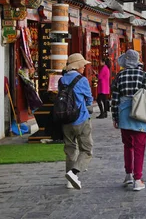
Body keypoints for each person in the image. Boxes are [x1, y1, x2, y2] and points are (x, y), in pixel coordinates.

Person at [111, 49, 146, 191]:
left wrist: (115, 117)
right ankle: (138, 179)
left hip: (124, 115)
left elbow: (115, 99)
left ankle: (128, 174)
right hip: (141, 114)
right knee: (139, 147)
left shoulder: (119, 76)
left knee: (128, 146)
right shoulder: (143, 75)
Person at [60, 53, 94, 190]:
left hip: (65, 119)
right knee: (87, 149)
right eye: (83, 65)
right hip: (80, 118)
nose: (84, 67)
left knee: (70, 150)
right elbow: (89, 98)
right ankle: (74, 173)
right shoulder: (82, 80)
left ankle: (69, 181)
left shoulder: (62, 80)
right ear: (78, 65)